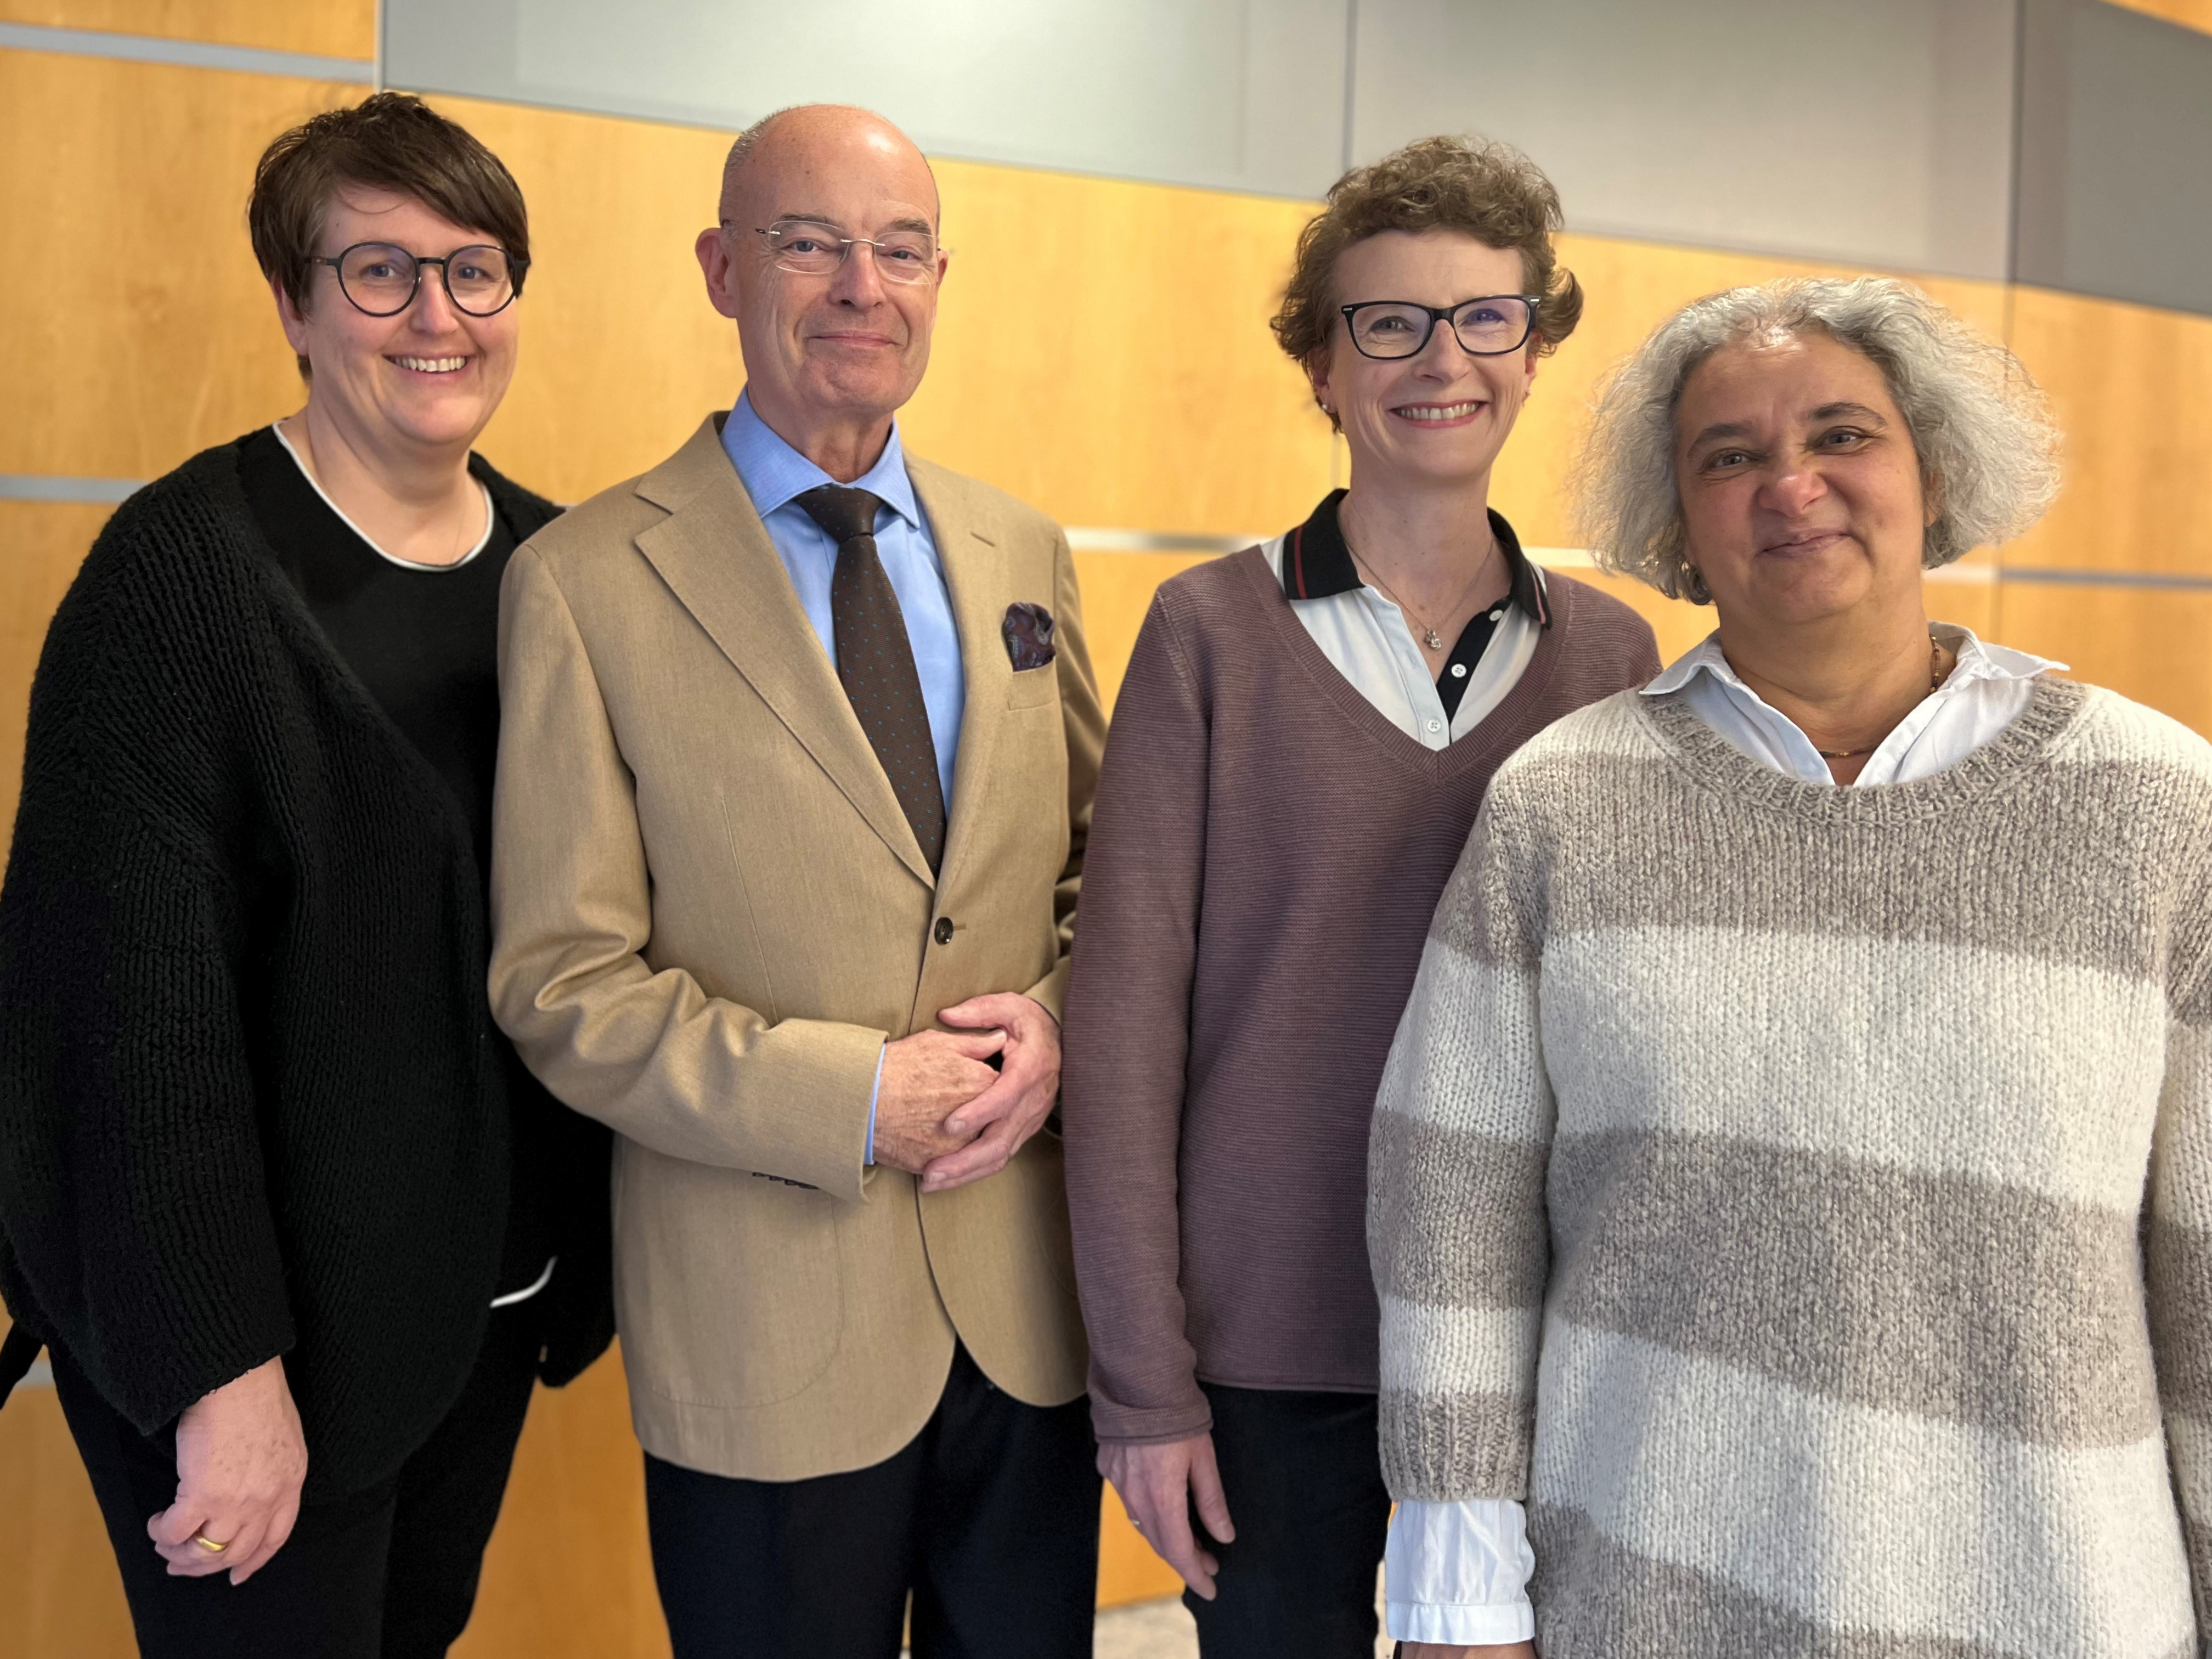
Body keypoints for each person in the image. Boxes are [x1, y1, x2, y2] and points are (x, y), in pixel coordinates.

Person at [1370, 274, 2212, 1657]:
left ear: (1935, 477)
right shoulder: (1560, 810)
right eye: (1730, 456)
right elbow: (1451, 1223)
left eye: (1842, 436)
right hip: (1647, 1603)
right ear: (1680, 529)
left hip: (2059, 1603)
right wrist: (1458, 1600)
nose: (1792, 485)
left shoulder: (2157, 809)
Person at [486, 104, 1106, 1658]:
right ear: (720, 268)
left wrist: (1060, 1023)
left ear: (940, 278)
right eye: (808, 242)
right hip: (764, 1334)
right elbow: (561, 981)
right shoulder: (583, 582)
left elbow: (1109, 877)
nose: (860, 284)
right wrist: (848, 1097)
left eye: (899, 249)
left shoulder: (1024, 552)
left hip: (1026, 1313)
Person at [0, 93, 612, 1659]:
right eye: (377, 272)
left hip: (475, 1308)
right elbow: (125, 1024)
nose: (437, 317)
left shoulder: (560, 579)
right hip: (254, 1351)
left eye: (475, 270)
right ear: (290, 300)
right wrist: (221, 1377)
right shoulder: (179, 581)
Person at [1060, 136, 1660, 1659]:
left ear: (1536, 349)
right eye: (1387, 322)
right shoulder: (1205, 632)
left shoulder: (1615, 661)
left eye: (1484, 316)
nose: (1439, 358)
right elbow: (1122, 1035)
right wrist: (1144, 1384)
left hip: (1541, 1330)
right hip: (1271, 1334)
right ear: (1323, 369)